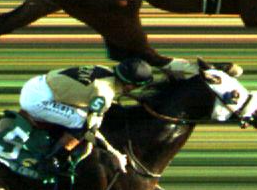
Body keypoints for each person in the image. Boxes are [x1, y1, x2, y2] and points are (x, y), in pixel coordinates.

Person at [17, 58, 154, 171]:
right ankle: (53, 160)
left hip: (37, 83)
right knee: (81, 123)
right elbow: (90, 130)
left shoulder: (104, 69)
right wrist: (114, 153)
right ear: (130, 86)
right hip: (36, 100)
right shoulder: (104, 93)